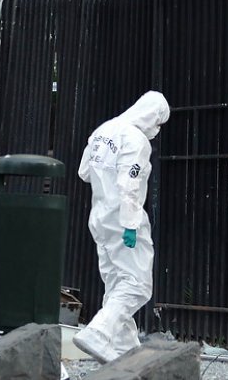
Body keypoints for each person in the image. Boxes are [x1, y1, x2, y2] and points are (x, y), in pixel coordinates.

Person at [73, 91, 170, 363]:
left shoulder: (104, 129)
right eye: (159, 122)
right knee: (137, 285)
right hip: (124, 220)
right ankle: (98, 332)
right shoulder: (137, 140)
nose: (157, 129)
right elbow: (130, 184)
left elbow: (84, 171)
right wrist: (130, 225)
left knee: (116, 283)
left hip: (100, 216)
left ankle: (125, 351)